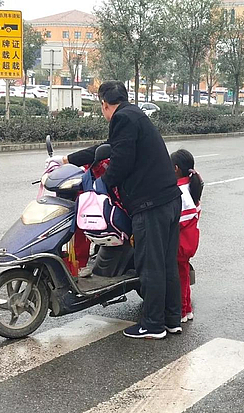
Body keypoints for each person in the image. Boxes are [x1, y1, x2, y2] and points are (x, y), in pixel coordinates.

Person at [46, 81, 182, 339]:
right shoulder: (134, 115)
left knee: (150, 265)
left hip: (150, 204)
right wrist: (66, 159)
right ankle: (171, 319)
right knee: (166, 263)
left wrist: (101, 186)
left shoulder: (122, 118)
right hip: (168, 201)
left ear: (104, 104)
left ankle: (153, 325)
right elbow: (107, 148)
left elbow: (121, 161)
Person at [171, 149, 203, 323]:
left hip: (181, 243)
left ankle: (181, 311)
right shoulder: (191, 185)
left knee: (179, 278)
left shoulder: (180, 191)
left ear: (176, 168)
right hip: (189, 241)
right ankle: (187, 309)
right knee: (183, 274)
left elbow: (181, 220)